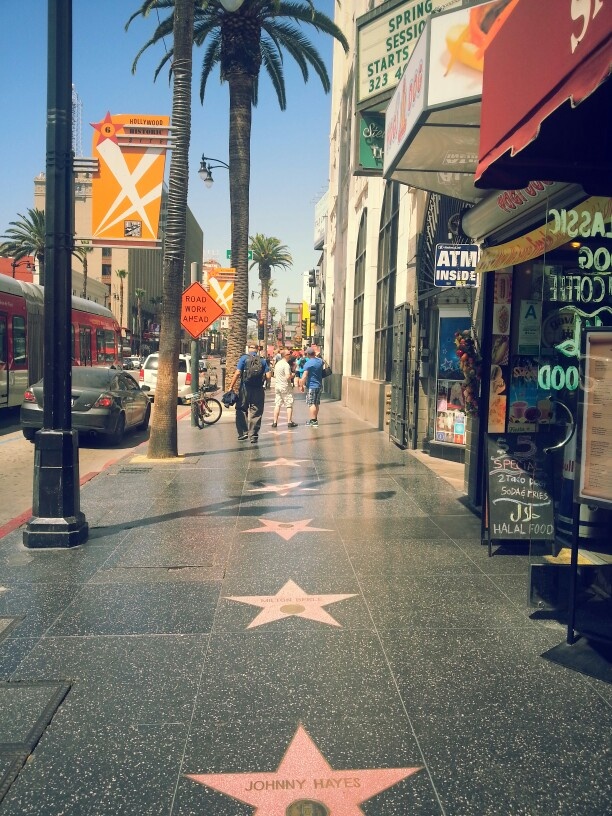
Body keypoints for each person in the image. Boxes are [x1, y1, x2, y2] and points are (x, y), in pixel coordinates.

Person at [227, 342, 271, 443]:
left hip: (245, 388)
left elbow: (238, 373)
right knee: (256, 412)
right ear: (257, 349)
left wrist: (231, 386)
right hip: (258, 390)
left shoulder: (244, 359)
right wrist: (265, 384)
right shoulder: (262, 360)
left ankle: (243, 433)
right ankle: (254, 436)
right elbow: (268, 376)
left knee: (241, 409)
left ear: (249, 349)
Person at [272, 349, 298, 429]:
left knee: (277, 404)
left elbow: (275, 375)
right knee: (289, 404)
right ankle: (289, 421)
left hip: (278, 386)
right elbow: (287, 377)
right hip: (285, 386)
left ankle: (275, 422)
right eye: (288, 354)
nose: (290, 355)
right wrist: (292, 375)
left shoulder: (277, 364)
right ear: (285, 355)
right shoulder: (286, 365)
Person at [299, 346, 324, 427]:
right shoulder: (320, 361)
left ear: (308, 355)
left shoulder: (308, 363)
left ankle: (313, 421)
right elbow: (321, 360)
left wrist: (301, 385)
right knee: (316, 403)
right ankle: (315, 419)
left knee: (311, 403)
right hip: (319, 385)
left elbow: (304, 375)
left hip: (312, 386)